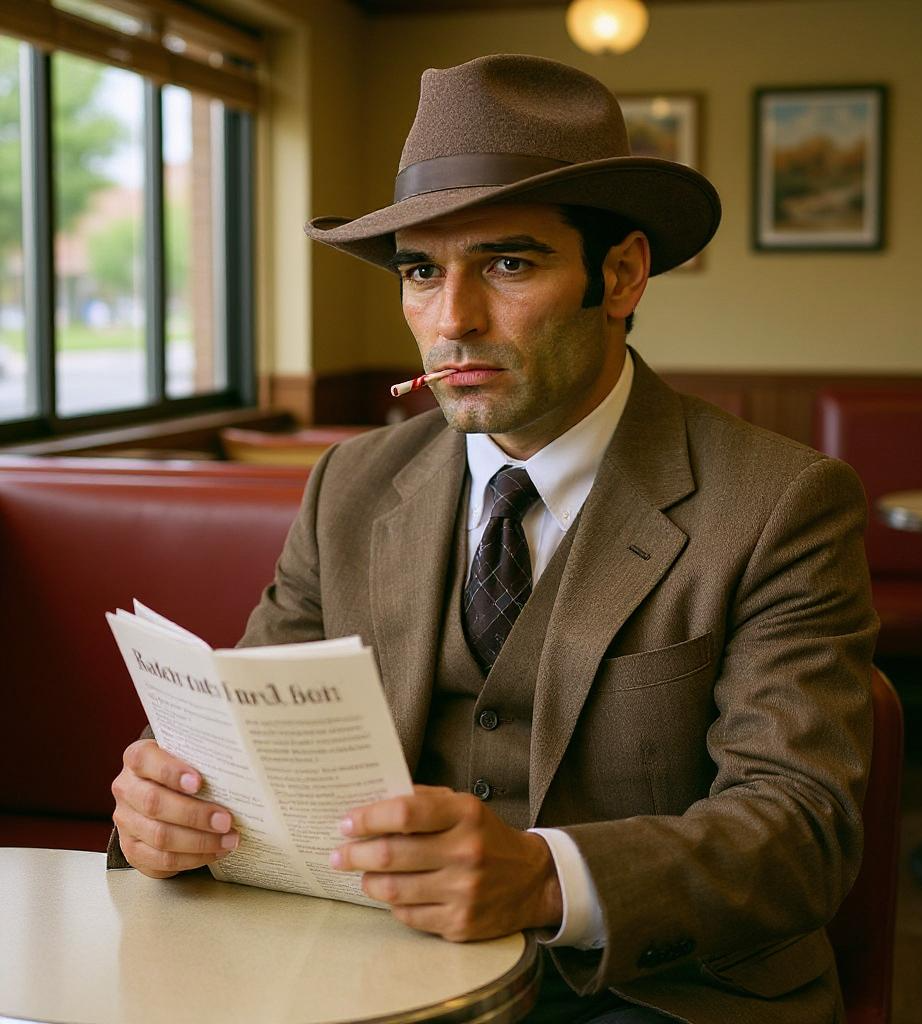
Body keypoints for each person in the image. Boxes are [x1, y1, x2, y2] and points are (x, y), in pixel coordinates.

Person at [108, 54, 877, 1023]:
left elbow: (803, 831)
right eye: (421, 272)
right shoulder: (350, 487)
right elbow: (241, 724)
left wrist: (546, 878)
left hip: (660, 993)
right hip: (373, 976)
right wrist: (162, 796)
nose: (452, 321)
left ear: (623, 274)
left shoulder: (782, 504)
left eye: (508, 264)